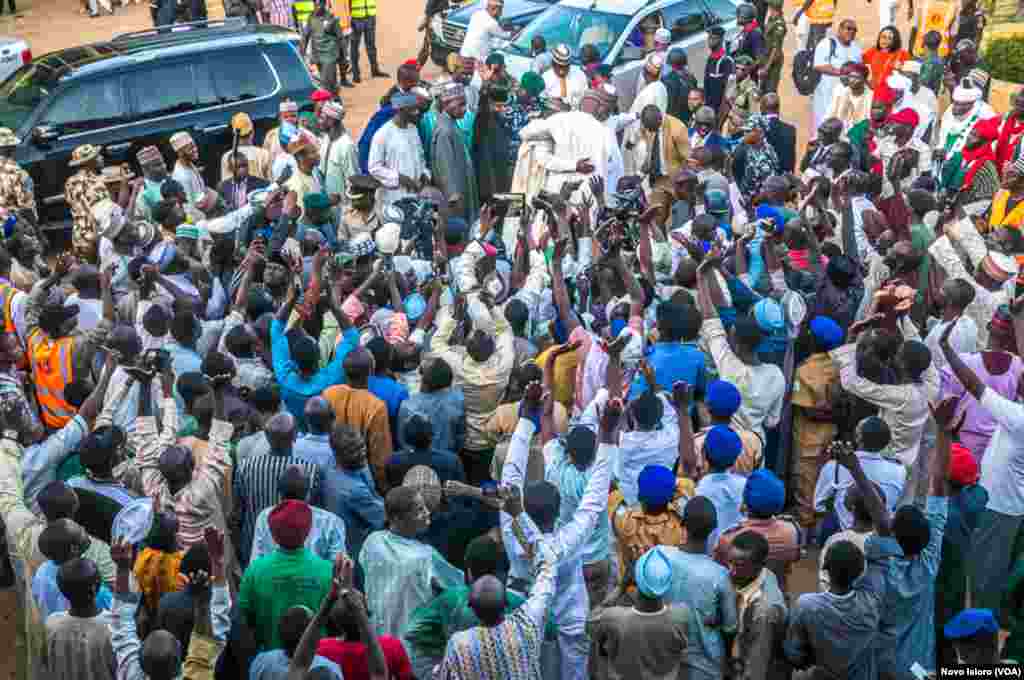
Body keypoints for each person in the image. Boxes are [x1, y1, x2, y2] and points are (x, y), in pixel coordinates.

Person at [500, 381, 614, 680]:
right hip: (571, 620)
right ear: (557, 510)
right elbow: (595, 496)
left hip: (528, 616)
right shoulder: (570, 539)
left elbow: (510, 473)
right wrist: (608, 439)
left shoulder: (513, 527)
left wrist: (527, 418)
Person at [359, 485, 463, 638]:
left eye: (425, 507)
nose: (427, 512)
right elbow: (457, 586)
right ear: (397, 519)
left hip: (377, 640)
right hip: (414, 645)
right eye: (419, 510)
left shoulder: (373, 542)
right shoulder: (426, 556)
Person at [239, 499, 340, 651]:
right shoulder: (327, 571)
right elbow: (336, 622)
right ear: (307, 531)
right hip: (316, 663)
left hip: (268, 663)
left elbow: (244, 619)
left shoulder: (255, 570)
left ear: (273, 535)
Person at [662, 497, 738, 680]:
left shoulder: (663, 556)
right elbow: (730, 628)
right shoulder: (720, 575)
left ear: (682, 524)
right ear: (713, 529)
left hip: (666, 658)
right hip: (705, 666)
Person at [588, 546, 690, 680]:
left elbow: (590, 622)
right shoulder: (680, 616)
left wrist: (620, 588)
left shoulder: (613, 618)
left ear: (634, 579)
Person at [724, 530, 789, 680]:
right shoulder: (761, 574)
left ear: (760, 565)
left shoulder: (764, 611)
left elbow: (756, 667)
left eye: (739, 566)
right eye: (730, 562)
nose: (731, 571)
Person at [368, 94, 430, 214]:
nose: (417, 112)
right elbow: (374, 167)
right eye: (413, 109)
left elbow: (421, 158)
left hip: (415, 196)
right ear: (400, 110)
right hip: (393, 199)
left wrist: (424, 175)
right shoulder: (382, 134)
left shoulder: (413, 129)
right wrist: (401, 179)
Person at [432, 84, 479, 224]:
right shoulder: (445, 130)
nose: (465, 109)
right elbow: (444, 165)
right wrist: (452, 194)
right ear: (447, 105)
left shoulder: (451, 124)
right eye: (461, 104)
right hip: (455, 196)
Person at [65, 144, 120, 263]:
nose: (101, 158)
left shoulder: (69, 182)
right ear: (89, 162)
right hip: (95, 235)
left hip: (79, 235)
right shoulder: (97, 182)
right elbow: (100, 211)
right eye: (97, 156)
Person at [812, 20, 863, 130]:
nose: (851, 32)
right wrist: (843, 72)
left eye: (854, 30)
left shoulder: (856, 48)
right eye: (848, 28)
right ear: (840, 29)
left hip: (847, 96)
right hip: (826, 95)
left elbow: (859, 70)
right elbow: (819, 65)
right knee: (823, 127)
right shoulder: (827, 43)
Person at [318, 101, 359, 203]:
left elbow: (353, 181)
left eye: (322, 118)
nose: (319, 121)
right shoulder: (326, 139)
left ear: (331, 121)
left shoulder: (347, 146)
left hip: (342, 207)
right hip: (326, 202)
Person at [303, 0, 345, 96]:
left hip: (329, 55)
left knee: (326, 84)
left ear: (324, 4)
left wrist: (344, 58)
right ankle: (335, 101)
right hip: (317, 56)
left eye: (319, 4)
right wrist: (301, 54)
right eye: (315, 4)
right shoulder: (311, 17)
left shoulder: (331, 18)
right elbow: (305, 36)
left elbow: (340, 38)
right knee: (330, 82)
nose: (317, 6)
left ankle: (329, 105)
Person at [0, 129, 36, 228]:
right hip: (14, 228)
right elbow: (26, 207)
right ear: (11, 147)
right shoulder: (16, 172)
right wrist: (39, 235)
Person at [826, 62, 872, 131]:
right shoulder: (842, 92)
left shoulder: (870, 96)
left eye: (856, 77)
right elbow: (832, 112)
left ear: (864, 80)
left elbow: (868, 120)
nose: (852, 80)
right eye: (851, 76)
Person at [863, 26, 910, 92]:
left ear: (895, 41)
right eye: (883, 37)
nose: (885, 40)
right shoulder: (873, 51)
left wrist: (901, 69)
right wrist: (866, 82)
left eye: (890, 38)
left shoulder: (903, 54)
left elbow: (909, 75)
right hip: (873, 91)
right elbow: (860, 64)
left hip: (891, 93)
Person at [349, 0, 386, 82]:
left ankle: (375, 70)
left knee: (371, 45)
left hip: (370, 15)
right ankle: (356, 75)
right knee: (354, 47)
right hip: (356, 18)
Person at [543, 44, 588, 111]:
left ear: (569, 64)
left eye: (565, 67)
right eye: (559, 67)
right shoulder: (545, 78)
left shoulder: (580, 76)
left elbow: (585, 99)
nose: (562, 72)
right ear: (553, 64)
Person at [761, 94, 797, 173]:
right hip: (782, 179)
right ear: (778, 109)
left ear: (762, 109)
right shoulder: (790, 129)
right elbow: (791, 160)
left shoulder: (756, 128)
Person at [703, 27, 735, 114]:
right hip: (710, 105)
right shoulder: (711, 58)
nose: (709, 41)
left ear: (720, 39)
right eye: (709, 38)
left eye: (713, 38)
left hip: (720, 107)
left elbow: (729, 87)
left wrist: (722, 109)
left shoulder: (726, 60)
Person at [760, 0, 787, 94]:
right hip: (767, 57)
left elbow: (776, 49)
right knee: (763, 88)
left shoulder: (779, 25)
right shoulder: (772, 18)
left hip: (773, 62)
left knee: (770, 90)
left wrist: (766, 67)